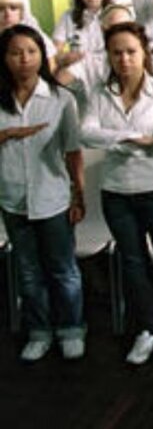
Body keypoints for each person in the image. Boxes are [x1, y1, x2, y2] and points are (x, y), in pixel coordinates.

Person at [81, 22, 153, 365]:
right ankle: (147, 328)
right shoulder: (99, 93)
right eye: (117, 53)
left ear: (144, 52)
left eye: (131, 51)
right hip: (115, 192)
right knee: (133, 263)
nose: (124, 59)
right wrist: (130, 138)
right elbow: (86, 133)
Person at [0, 25, 86, 362]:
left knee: (63, 269)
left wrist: (79, 195)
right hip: (12, 197)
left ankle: (72, 328)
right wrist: (6, 135)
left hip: (52, 196)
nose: (24, 59)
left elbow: (73, 151)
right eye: (15, 53)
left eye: (31, 51)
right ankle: (39, 331)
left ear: (42, 56)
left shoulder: (61, 99)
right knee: (28, 271)